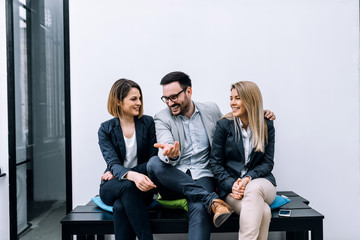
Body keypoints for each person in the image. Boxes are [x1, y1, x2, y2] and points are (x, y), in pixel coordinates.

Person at [146, 72, 275, 240]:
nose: (170, 103)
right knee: (154, 163)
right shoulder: (162, 117)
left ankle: (208, 200)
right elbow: (165, 142)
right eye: (166, 99)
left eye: (174, 97)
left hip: (203, 176)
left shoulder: (211, 110)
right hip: (174, 180)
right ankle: (211, 199)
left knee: (199, 208)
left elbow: (236, 118)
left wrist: (259, 113)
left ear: (189, 92)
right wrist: (170, 153)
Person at [209, 81, 277, 240]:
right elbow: (215, 163)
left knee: (253, 189)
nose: (232, 102)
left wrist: (248, 178)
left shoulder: (266, 124)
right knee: (264, 212)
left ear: (250, 100)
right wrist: (232, 184)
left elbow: (268, 163)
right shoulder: (224, 125)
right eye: (231, 98)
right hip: (233, 190)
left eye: (237, 98)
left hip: (261, 183)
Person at [98, 79, 157, 240]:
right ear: (118, 101)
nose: (139, 102)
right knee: (127, 188)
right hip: (112, 186)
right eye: (133, 99)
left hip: (142, 186)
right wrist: (127, 175)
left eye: (140, 98)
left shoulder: (148, 123)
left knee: (119, 206)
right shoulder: (106, 129)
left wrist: (128, 173)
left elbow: (153, 161)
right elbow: (113, 163)